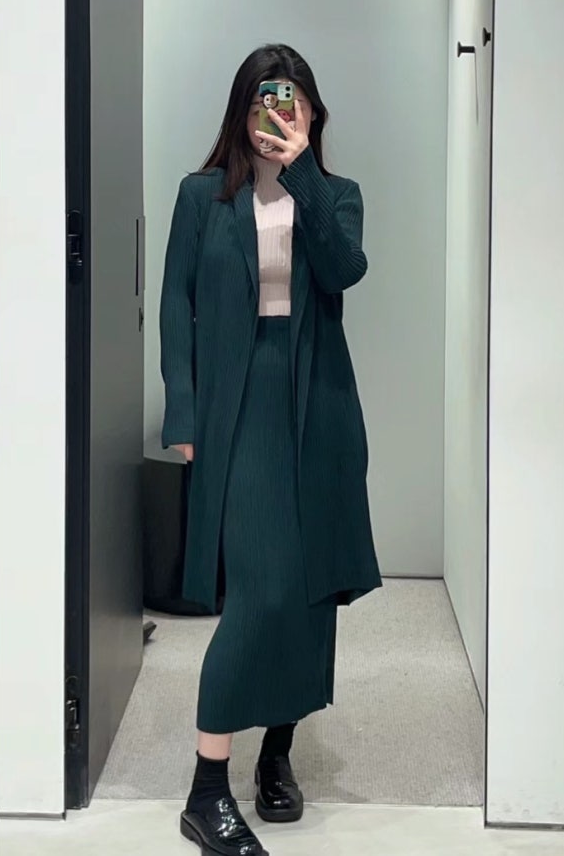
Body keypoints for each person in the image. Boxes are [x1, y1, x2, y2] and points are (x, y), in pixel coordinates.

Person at [160, 43, 382, 856]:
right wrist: (183, 413)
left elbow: (344, 271)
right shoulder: (200, 197)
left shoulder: (336, 195)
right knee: (260, 593)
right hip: (239, 403)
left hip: (318, 406)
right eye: (263, 100)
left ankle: (276, 755)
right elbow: (176, 303)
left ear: (311, 113)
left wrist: (302, 175)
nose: (275, 115)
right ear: (241, 110)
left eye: (289, 101)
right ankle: (205, 789)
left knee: (309, 590)